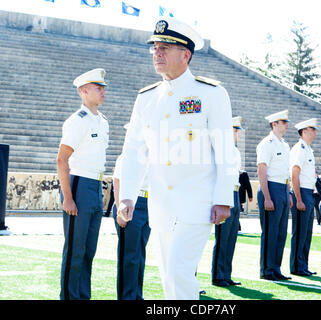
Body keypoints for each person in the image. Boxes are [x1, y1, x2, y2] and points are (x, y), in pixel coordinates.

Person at [117, 17, 236, 300]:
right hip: (160, 204)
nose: (157, 53)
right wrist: (126, 196)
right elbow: (134, 150)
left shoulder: (211, 94)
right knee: (169, 276)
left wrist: (223, 198)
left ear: (186, 54)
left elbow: (225, 150)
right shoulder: (146, 98)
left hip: (197, 202)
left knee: (179, 272)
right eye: (155, 47)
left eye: (165, 48)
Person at [56, 68, 109, 300]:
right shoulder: (77, 121)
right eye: (98, 88)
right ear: (83, 91)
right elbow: (61, 160)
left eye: (103, 87)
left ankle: (82, 296)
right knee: (75, 250)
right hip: (78, 185)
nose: (103, 91)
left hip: (95, 186)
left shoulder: (102, 121)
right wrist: (68, 198)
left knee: (88, 251)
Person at [112, 124, 151, 299]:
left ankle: (136, 294)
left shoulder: (150, 154)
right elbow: (117, 181)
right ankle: (126, 296)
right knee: (129, 256)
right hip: (131, 203)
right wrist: (120, 207)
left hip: (147, 203)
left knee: (139, 255)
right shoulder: (127, 156)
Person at [256, 109, 293, 281]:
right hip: (271, 188)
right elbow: (262, 170)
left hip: (283, 189)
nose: (286, 125)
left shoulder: (284, 145)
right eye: (283, 122)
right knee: (270, 232)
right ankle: (266, 269)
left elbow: (285, 172)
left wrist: (289, 193)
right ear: (274, 124)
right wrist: (268, 197)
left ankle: (276, 267)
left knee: (280, 232)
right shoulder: (267, 143)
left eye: (286, 122)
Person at [211, 116, 243, 287]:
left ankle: (226, 273)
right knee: (222, 237)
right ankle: (218, 275)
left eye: (238, 130)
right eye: (234, 129)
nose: (238, 133)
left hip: (235, 193)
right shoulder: (220, 149)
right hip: (225, 193)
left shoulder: (235, 151)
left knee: (231, 237)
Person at [289, 118, 318, 276]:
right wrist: (299, 198)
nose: (315, 132)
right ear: (304, 131)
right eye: (312, 129)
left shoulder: (308, 149)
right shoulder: (299, 149)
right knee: (300, 232)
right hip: (302, 192)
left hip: (309, 192)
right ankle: (297, 266)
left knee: (307, 232)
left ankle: (303, 264)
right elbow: (295, 174)